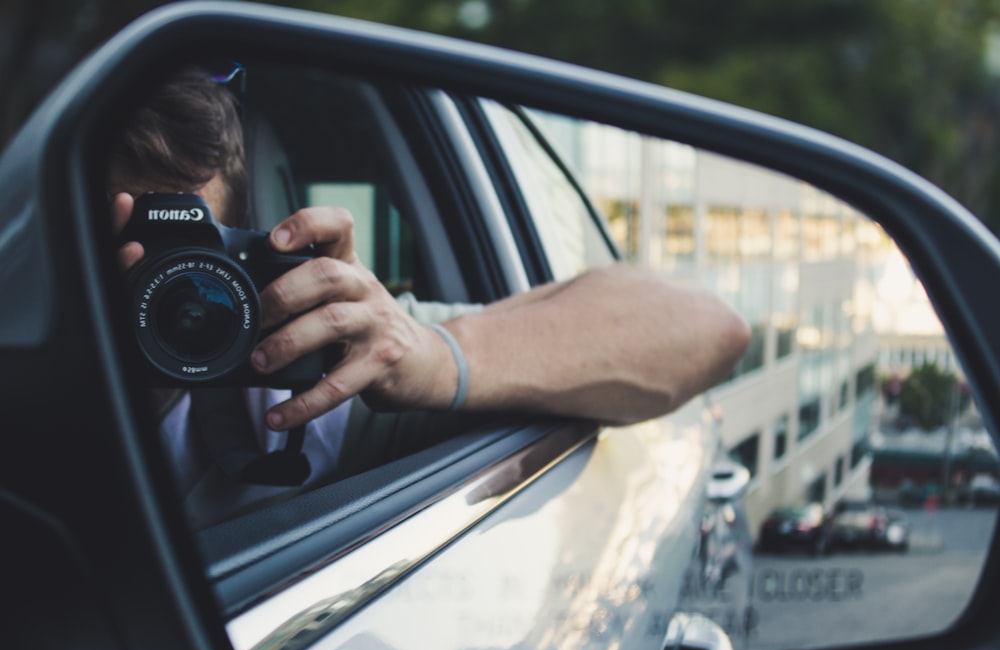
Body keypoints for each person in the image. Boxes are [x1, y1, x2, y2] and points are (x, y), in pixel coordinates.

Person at [109, 66, 750, 527]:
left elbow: (708, 326)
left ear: (239, 252)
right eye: (93, 249)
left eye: (184, 266)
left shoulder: (303, 375)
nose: (158, 297)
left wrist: (433, 357)